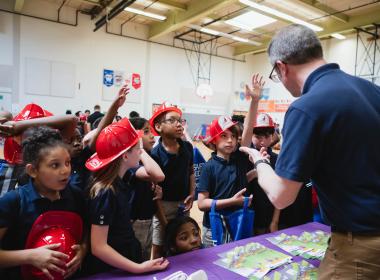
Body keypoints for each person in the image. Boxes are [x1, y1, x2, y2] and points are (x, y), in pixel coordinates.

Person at [239, 24, 380, 279]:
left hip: (361, 244)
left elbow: (282, 196)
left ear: (282, 67)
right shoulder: (371, 91)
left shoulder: (307, 107)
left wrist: (260, 162)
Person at [84, 118, 169, 275]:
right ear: (124, 156)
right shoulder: (105, 192)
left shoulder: (120, 182)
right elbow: (98, 247)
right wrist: (138, 268)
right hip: (111, 269)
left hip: (124, 258)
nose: (140, 152)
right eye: (138, 149)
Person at [0, 126, 87, 279]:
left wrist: (83, 250)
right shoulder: (13, 202)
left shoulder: (76, 196)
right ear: (33, 170)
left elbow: (86, 234)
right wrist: (30, 256)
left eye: (67, 163)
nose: (65, 170)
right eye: (55, 165)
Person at [197, 74, 264, 247]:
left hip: (240, 222)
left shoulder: (240, 158)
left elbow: (248, 128)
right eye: (224, 136)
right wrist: (232, 202)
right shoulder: (208, 167)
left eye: (233, 136)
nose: (230, 140)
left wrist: (254, 101)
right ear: (213, 140)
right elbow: (202, 203)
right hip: (214, 226)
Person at [149, 102, 195, 258]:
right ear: (159, 126)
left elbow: (191, 172)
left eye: (180, 120)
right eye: (172, 120)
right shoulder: (155, 154)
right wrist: (163, 221)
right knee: (159, 245)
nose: (179, 124)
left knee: (183, 244)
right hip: (162, 207)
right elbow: (154, 193)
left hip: (183, 204)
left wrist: (192, 193)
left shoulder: (187, 147)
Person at [127, 116, 166, 261]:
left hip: (147, 220)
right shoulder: (131, 161)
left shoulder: (147, 158)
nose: (152, 136)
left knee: (144, 257)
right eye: (146, 131)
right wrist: (139, 149)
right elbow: (158, 175)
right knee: (136, 261)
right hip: (135, 222)